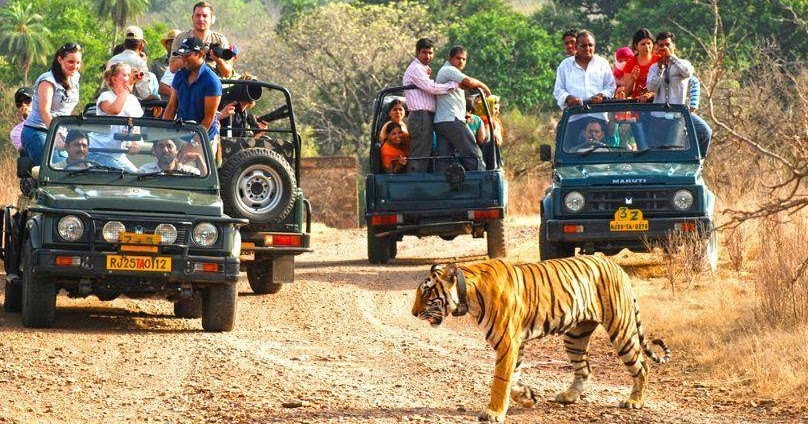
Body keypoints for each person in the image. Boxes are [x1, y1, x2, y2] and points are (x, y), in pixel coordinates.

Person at [647, 31, 712, 156]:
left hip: (677, 116)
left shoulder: (682, 64)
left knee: (704, 132)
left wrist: (671, 58)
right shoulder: (654, 67)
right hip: (657, 117)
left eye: (667, 45)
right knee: (656, 153)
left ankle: (697, 160)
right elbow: (651, 88)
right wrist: (660, 69)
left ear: (674, 46)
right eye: (661, 46)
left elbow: (688, 73)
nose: (664, 48)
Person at [402, 38, 459, 173]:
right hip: (420, 116)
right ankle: (415, 185)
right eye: (424, 52)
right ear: (417, 53)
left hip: (426, 116)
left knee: (427, 151)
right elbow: (431, 88)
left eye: (430, 53)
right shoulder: (415, 68)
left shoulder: (423, 69)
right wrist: (452, 85)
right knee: (420, 153)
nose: (427, 56)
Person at [22, 43, 82, 164]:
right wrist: (56, 134)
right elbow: (45, 111)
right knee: (58, 169)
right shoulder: (48, 80)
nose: (75, 66)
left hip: (60, 132)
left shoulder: (75, 77)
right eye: (70, 62)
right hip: (38, 131)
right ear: (60, 59)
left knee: (75, 166)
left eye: (78, 62)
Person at [163, 36, 223, 158]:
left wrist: (193, 145)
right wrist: (164, 136)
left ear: (200, 54)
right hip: (182, 133)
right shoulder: (180, 75)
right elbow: (171, 107)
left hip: (204, 138)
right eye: (182, 55)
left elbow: (209, 118)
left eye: (187, 55)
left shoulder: (211, 81)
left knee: (196, 172)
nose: (183, 59)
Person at [433, 45, 490, 172]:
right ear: (450, 58)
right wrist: (484, 86)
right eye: (458, 58)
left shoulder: (451, 73)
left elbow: (465, 85)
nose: (461, 61)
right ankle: (481, 184)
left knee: (445, 159)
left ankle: (444, 189)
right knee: (473, 154)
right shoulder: (448, 70)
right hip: (452, 120)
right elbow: (469, 82)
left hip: (442, 121)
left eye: (464, 59)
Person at [552, 30, 615, 139]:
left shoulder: (602, 63)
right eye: (583, 45)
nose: (587, 48)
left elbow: (611, 87)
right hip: (574, 117)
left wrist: (601, 95)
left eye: (590, 45)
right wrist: (568, 98)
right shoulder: (565, 65)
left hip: (598, 117)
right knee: (571, 152)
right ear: (576, 47)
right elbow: (558, 90)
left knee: (602, 153)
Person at [92, 63, 144, 171]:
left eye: (130, 75)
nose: (129, 78)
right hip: (99, 152)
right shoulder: (105, 96)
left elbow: (136, 127)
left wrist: (135, 144)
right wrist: (127, 88)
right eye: (125, 75)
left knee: (137, 176)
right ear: (114, 79)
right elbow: (114, 110)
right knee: (125, 175)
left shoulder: (133, 100)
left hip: (119, 155)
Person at [169, 2, 233, 78]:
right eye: (198, 15)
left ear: (212, 19)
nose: (201, 19)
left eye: (205, 16)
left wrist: (218, 60)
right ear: (192, 18)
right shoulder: (181, 38)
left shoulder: (219, 40)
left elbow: (227, 74)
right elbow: (172, 68)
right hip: (187, 84)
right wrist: (192, 54)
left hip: (211, 84)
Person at [107, 26, 157, 101]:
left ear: (124, 45)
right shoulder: (140, 62)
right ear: (141, 46)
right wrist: (156, 98)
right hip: (131, 107)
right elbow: (144, 93)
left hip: (111, 104)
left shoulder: (113, 60)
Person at [618, 28, 659, 101]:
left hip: (657, 105)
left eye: (649, 43)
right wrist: (633, 80)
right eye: (643, 44)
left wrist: (650, 95)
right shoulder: (630, 64)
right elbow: (626, 94)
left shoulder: (659, 61)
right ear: (636, 46)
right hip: (637, 107)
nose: (647, 47)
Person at [152, 29, 182, 100]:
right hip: (162, 104)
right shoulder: (156, 64)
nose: (173, 46)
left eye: (176, 43)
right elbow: (152, 87)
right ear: (166, 46)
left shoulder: (187, 63)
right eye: (170, 43)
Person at [10, 87, 33, 152]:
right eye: (19, 104)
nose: (23, 105)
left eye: (27, 101)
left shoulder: (51, 116)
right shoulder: (16, 132)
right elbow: (28, 152)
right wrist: (29, 118)